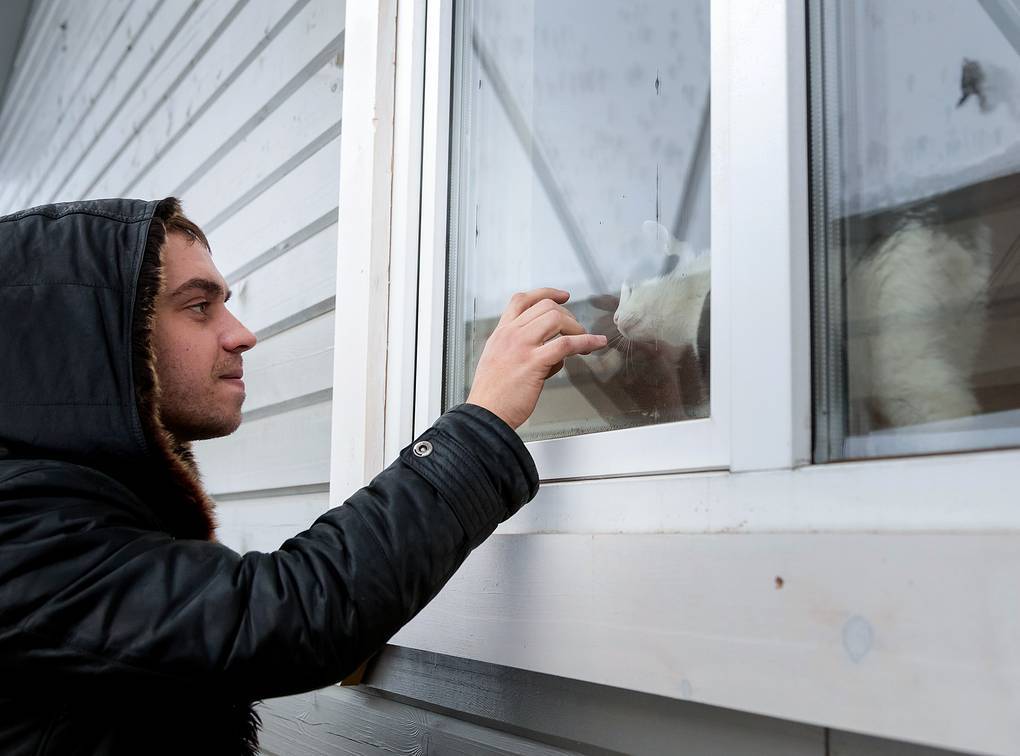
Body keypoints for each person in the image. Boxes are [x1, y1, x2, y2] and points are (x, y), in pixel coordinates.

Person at [0, 197, 606, 755]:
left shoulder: (60, 501)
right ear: (99, 341)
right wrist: (483, 422)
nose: (241, 334)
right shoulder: (20, 528)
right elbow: (281, 616)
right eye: (199, 306)